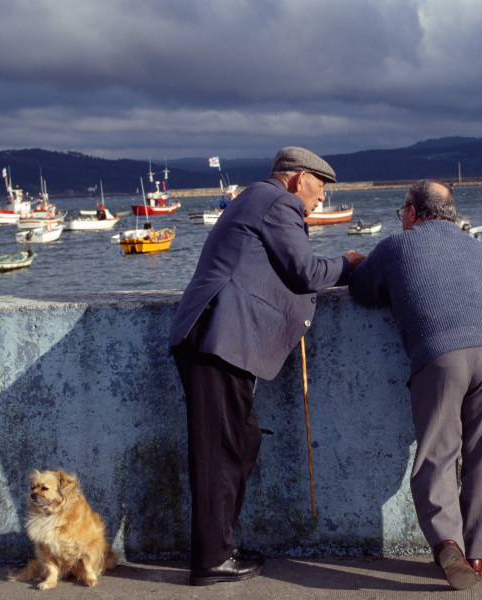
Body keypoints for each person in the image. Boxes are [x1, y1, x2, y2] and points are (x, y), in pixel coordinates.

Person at [169, 147, 366, 587]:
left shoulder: (255, 198)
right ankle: (211, 560)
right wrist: (349, 264)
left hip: (217, 337)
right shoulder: (280, 202)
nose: (322, 198)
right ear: (299, 179)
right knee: (218, 452)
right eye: (321, 186)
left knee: (243, 438)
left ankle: (221, 546)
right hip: (217, 336)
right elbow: (304, 271)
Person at [348, 180, 482, 590]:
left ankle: (447, 543)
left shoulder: (396, 247)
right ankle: (477, 555)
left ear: (414, 213)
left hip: (441, 357)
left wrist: (359, 265)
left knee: (436, 455)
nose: (400, 216)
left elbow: (362, 291)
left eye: (402, 208)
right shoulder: (476, 248)